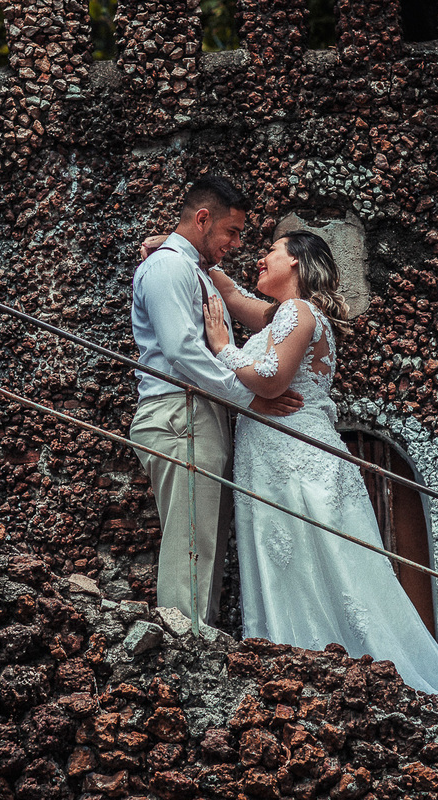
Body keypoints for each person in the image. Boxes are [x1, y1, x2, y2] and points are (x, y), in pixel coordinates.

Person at [201, 230, 438, 736]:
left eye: (271, 251)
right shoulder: (283, 315)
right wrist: (179, 247)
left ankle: (303, 672)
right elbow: (229, 294)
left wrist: (224, 346)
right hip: (278, 453)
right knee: (308, 560)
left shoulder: (298, 313)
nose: (259, 259)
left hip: (292, 457)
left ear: (294, 262)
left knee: (309, 558)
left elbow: (271, 379)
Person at [129, 176, 302, 625]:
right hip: (178, 412)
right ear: (203, 219)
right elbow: (182, 350)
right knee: (192, 538)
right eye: (232, 231)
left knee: (203, 537)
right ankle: (181, 642)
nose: (238, 243)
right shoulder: (169, 267)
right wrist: (247, 398)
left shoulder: (193, 268)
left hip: (198, 411)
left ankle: (194, 641)